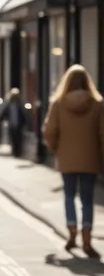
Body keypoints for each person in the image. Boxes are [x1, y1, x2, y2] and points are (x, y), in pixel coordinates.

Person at [42, 65, 103, 259]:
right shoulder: (97, 104)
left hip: (67, 157)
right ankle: (87, 239)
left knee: (69, 195)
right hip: (90, 157)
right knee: (87, 199)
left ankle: (72, 232)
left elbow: (50, 131)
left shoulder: (58, 103)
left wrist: (54, 149)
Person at [0, 88, 27, 158]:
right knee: (13, 138)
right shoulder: (9, 105)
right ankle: (15, 152)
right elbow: (4, 113)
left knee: (18, 139)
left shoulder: (20, 105)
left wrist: (25, 123)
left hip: (18, 125)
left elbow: (24, 115)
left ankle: (18, 152)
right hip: (12, 125)